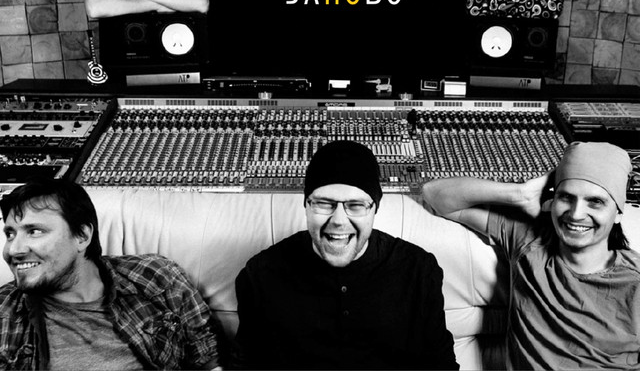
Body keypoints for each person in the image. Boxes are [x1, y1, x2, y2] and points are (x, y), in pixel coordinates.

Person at [233, 140, 458, 370]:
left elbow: (441, 365)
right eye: (324, 203)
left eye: (355, 205)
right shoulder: (260, 275)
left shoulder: (418, 271)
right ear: (307, 206)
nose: (339, 220)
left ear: (374, 209)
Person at [422, 141, 640, 369]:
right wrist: (521, 193)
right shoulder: (528, 240)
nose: (576, 214)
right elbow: (434, 195)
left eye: (595, 202)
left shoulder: (634, 283)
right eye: (566, 197)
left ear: (618, 213)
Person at [0, 178, 220, 370]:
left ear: (82, 236)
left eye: (34, 231)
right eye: (10, 234)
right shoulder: (5, 314)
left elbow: (207, 359)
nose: (13, 250)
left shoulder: (156, 276)